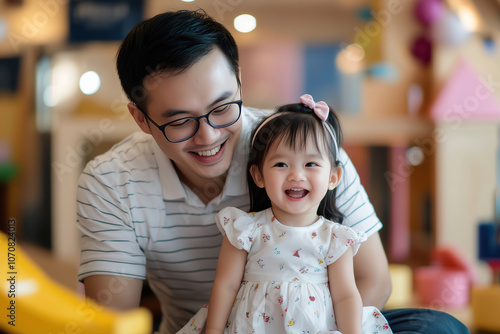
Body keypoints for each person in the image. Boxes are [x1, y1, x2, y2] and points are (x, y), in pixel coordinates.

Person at [76, 9, 470, 334]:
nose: (209, 136)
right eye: (179, 121)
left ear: (239, 81)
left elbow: (374, 279)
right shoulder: (110, 181)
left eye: (222, 106)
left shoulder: (306, 149)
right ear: (140, 119)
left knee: (436, 327)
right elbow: (114, 320)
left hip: (323, 326)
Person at [177, 95, 392, 334]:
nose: (296, 175)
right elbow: (226, 286)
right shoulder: (245, 229)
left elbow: (345, 296)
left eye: (310, 164)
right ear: (258, 176)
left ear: (333, 178)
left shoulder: (336, 238)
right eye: (281, 164)